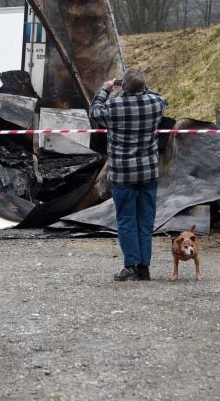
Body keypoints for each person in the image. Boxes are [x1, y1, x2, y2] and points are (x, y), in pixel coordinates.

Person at [89, 69, 167, 281]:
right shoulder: (155, 105)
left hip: (123, 174)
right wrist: (142, 86)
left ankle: (130, 265)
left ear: (124, 87)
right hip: (148, 173)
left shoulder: (114, 107)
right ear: (143, 87)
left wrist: (105, 90)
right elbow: (160, 97)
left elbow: (94, 111)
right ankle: (144, 267)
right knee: (145, 220)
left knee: (126, 220)